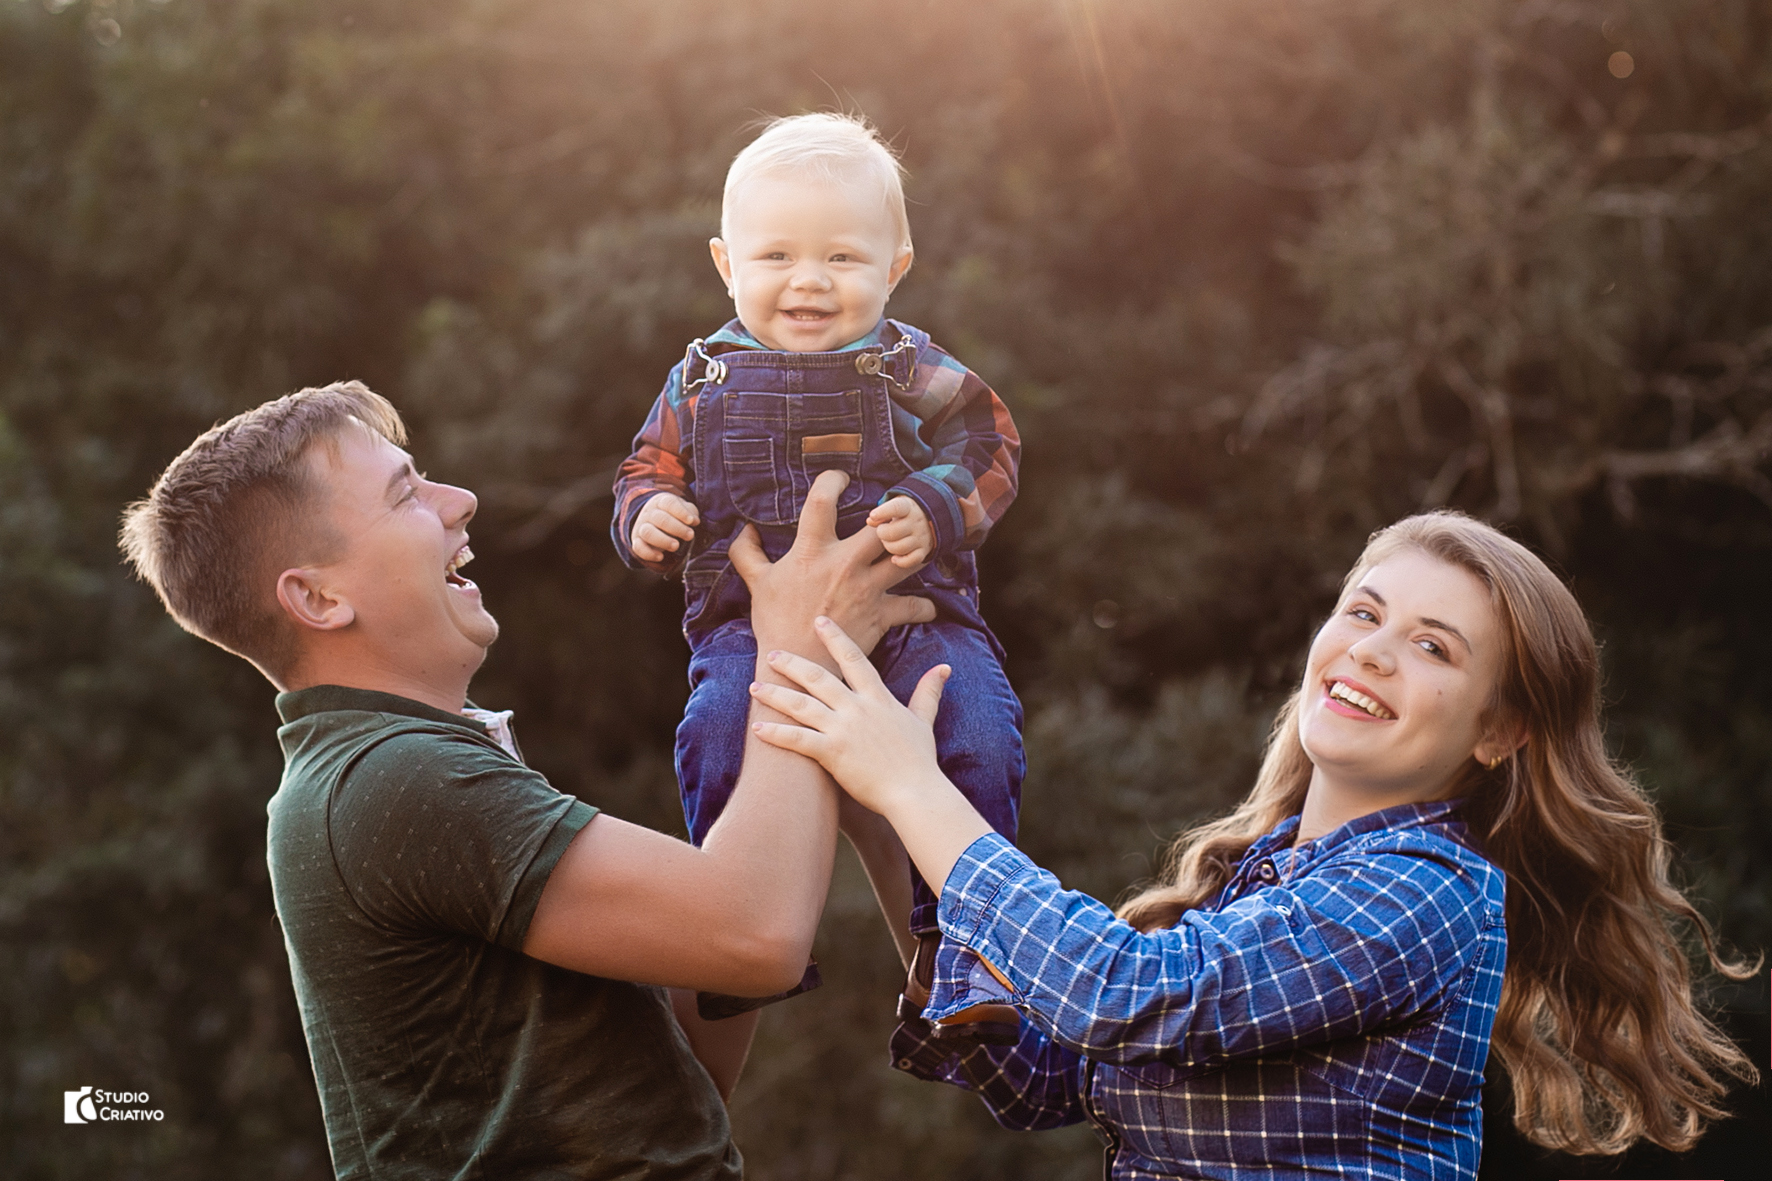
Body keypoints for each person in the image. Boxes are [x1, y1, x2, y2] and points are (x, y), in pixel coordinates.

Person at [748, 510, 1759, 1178]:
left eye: (1432, 644)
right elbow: (1048, 1075)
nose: (1370, 645)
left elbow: (1120, 989)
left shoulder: (1423, 894)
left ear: (1498, 732)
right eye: (1362, 611)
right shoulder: (1260, 880)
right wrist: (888, 822)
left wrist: (912, 785)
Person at [117, 381, 932, 1179]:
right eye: (406, 494)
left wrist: (819, 760)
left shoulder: (396, 767)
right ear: (320, 596)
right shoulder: (396, 780)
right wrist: (796, 648)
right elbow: (757, 936)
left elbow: (676, 1081)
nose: (460, 498)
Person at [610, 112, 1024, 1033]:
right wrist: (649, 515)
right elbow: (646, 466)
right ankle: (732, 927)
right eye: (777, 257)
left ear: (895, 268)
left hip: (917, 616)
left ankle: (964, 948)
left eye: (842, 258)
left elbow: (990, 440)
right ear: (726, 265)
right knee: (716, 728)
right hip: (749, 631)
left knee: (979, 732)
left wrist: (934, 503)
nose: (808, 281)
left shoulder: (906, 362)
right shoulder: (701, 377)